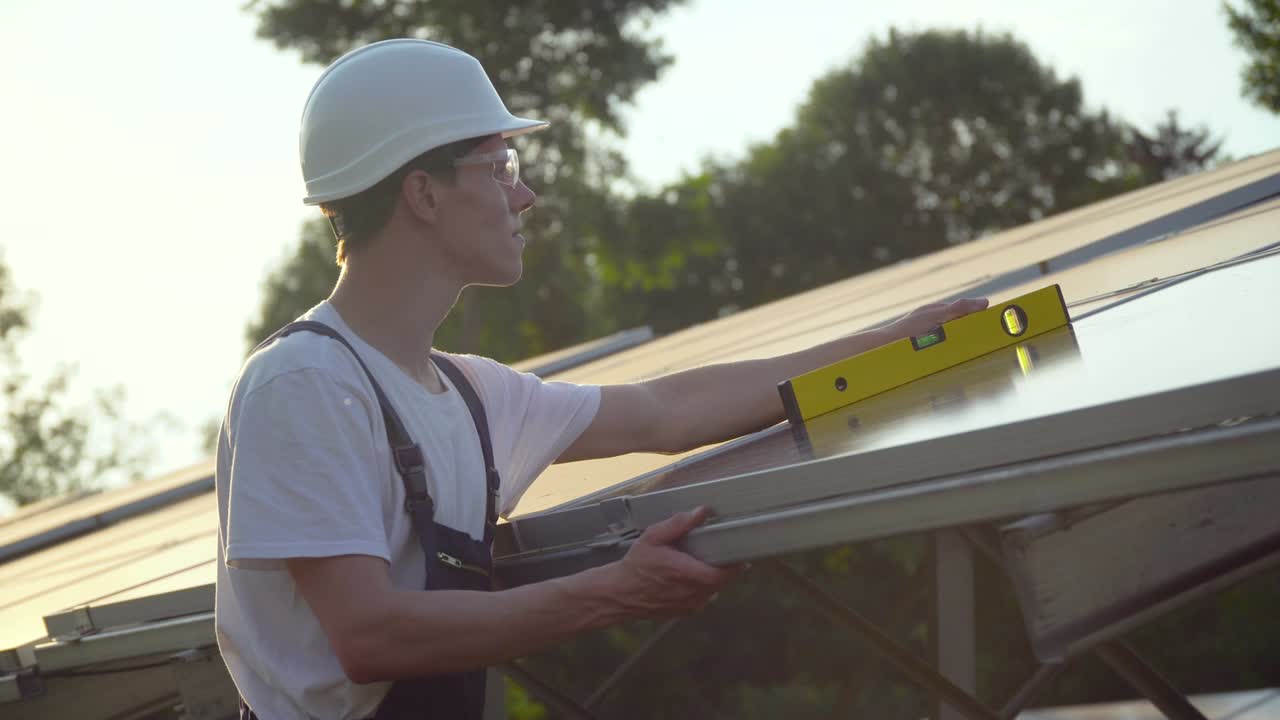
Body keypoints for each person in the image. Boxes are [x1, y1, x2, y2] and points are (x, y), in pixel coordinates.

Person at [214, 38, 987, 720]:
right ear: (421, 193)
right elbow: (370, 635)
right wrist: (618, 590)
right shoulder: (304, 384)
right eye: (501, 166)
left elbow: (666, 412)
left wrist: (900, 343)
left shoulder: (471, 396)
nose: (525, 195)